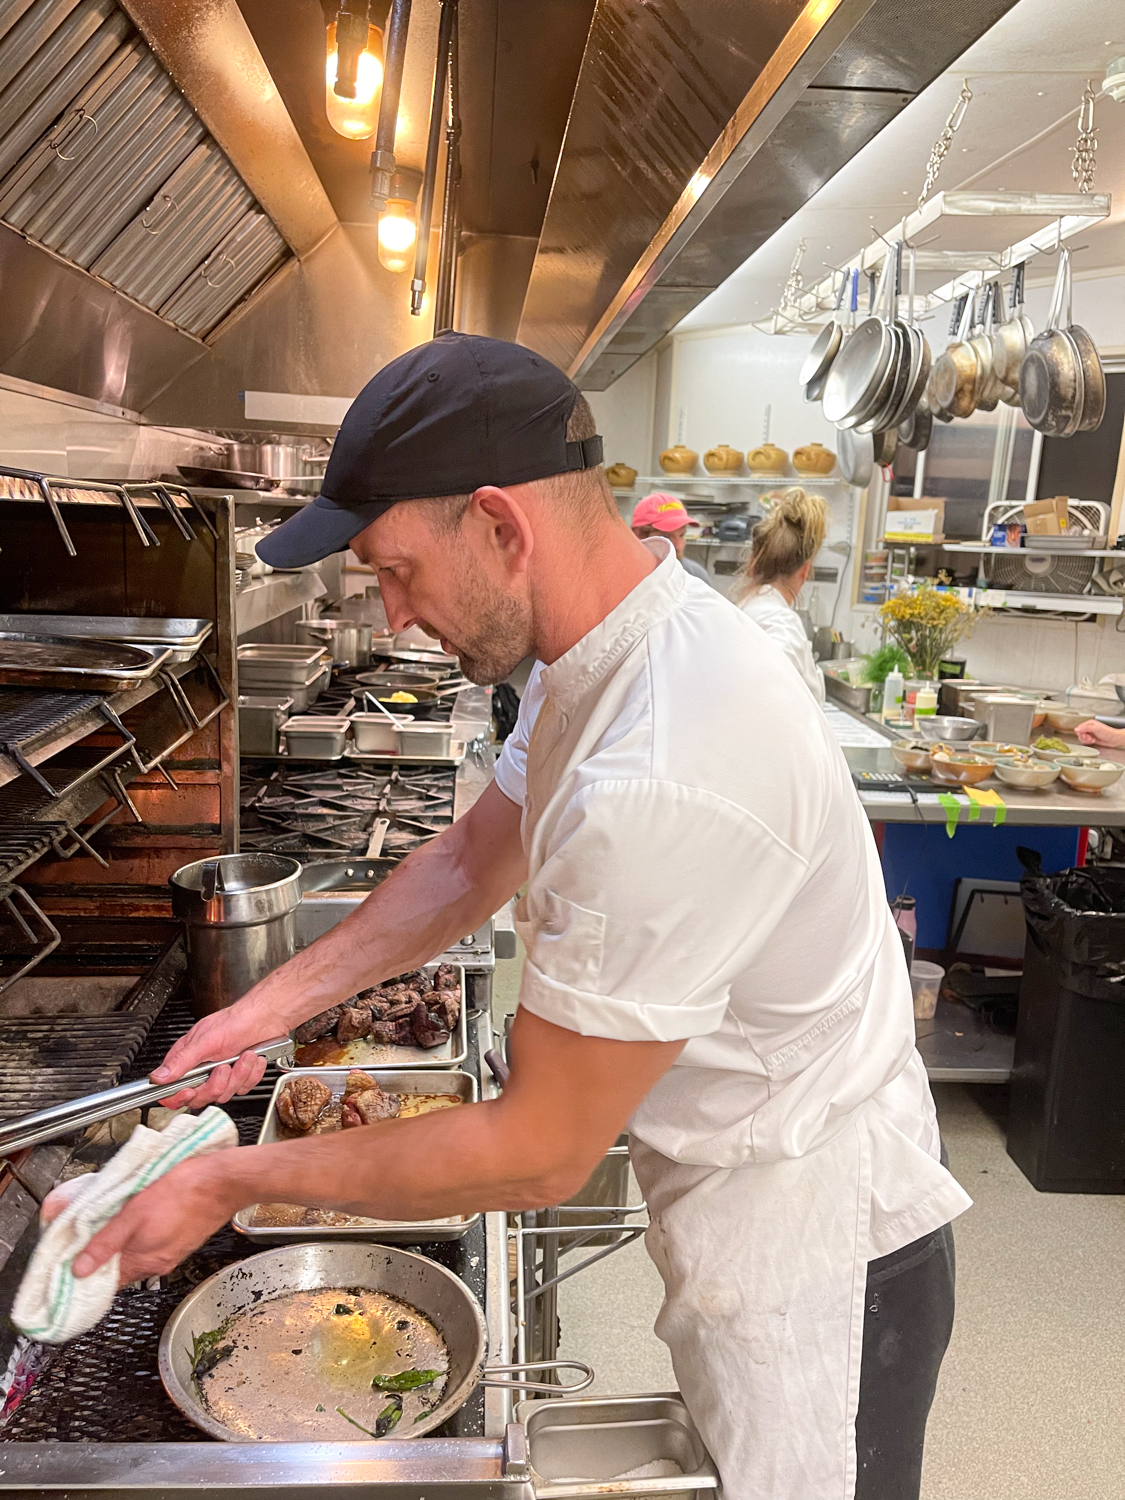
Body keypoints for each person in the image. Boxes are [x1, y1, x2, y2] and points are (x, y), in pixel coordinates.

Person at [57, 334, 970, 1500]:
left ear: (500, 525)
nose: (392, 618)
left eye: (396, 570)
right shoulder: (600, 650)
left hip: (826, 1263)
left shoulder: (664, 767)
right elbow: (468, 861)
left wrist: (227, 1182)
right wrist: (260, 1012)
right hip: (746, 1200)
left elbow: (539, 1152)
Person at [733, 488, 829, 702]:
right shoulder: (778, 620)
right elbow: (768, 686)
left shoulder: (746, 608)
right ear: (805, 571)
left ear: (751, 563)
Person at [630, 492, 713, 586]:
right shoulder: (620, 577)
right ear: (639, 535)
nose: (678, 546)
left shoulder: (696, 577)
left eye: (681, 535)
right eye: (666, 537)